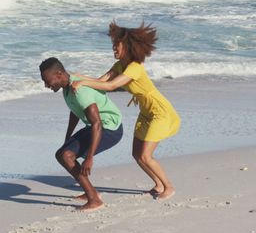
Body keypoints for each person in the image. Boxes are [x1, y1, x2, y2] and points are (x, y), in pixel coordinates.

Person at [71, 21, 180, 200]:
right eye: (113, 45)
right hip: (146, 113)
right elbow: (101, 81)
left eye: (117, 46)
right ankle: (158, 184)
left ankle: (169, 186)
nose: (114, 49)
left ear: (127, 47)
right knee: (137, 154)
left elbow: (112, 85)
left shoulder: (134, 67)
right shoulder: (120, 65)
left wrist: (82, 82)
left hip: (159, 112)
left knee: (145, 155)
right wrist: (74, 76)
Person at [39, 57, 123, 212]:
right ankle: (91, 193)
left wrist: (89, 158)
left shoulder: (80, 91)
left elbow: (97, 124)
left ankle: (94, 199)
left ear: (59, 74)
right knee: (61, 154)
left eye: (47, 81)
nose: (46, 85)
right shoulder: (67, 88)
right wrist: (68, 137)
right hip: (96, 126)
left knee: (66, 156)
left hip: (110, 128)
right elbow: (75, 111)